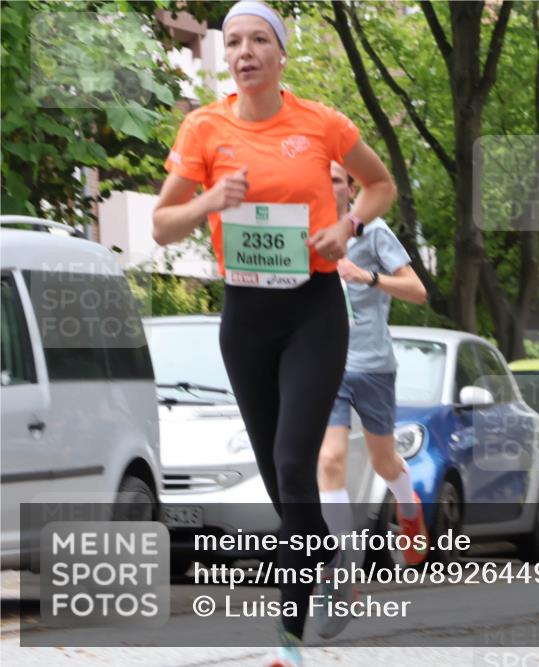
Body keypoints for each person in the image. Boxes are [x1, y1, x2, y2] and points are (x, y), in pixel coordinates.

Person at [152, 2, 396, 664]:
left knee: (294, 462)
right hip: (245, 316)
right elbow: (162, 224)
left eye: (260, 39)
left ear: (280, 54)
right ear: (225, 56)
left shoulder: (321, 123)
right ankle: (331, 561)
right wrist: (209, 200)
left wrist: (346, 226)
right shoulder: (204, 127)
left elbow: (380, 184)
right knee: (278, 481)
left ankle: (288, 639)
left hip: (313, 310)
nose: (246, 51)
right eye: (234, 41)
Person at [316, 162, 429, 579]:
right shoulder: (307, 232)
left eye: (335, 180)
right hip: (327, 364)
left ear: (351, 189)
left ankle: (408, 504)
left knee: (384, 463)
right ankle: (340, 566)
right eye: (322, 179)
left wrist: (367, 276)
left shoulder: (374, 232)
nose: (328, 187)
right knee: (330, 460)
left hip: (373, 366)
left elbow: (417, 291)